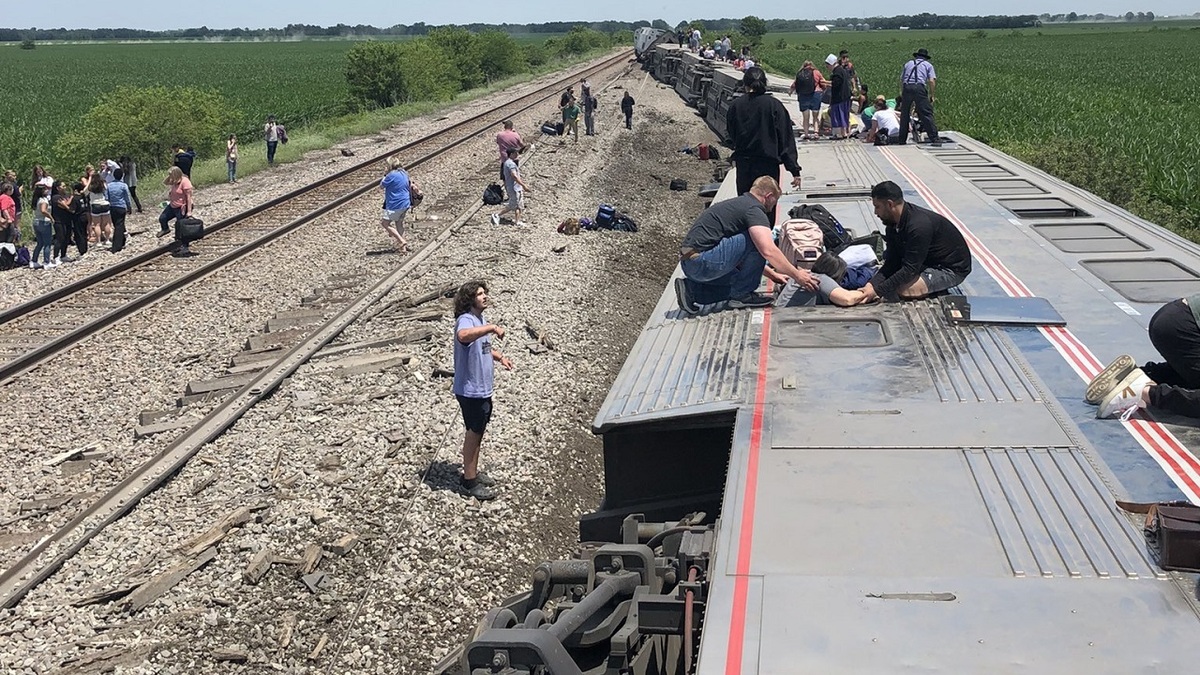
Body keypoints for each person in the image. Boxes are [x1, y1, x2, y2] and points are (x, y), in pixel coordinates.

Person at [674, 176, 819, 315]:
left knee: (738, 282)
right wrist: (797, 275)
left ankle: (691, 291)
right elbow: (768, 250)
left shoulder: (740, 204)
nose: (775, 205)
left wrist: (773, 274)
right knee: (757, 240)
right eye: (776, 200)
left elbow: (743, 253)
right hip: (703, 262)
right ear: (768, 196)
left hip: (692, 263)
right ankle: (742, 295)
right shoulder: (754, 210)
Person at [859, 181, 970, 303]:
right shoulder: (892, 224)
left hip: (950, 269)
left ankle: (932, 288)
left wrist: (878, 292)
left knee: (903, 289)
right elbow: (892, 262)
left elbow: (909, 269)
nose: (875, 213)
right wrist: (871, 285)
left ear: (890, 204)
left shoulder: (918, 226)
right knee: (889, 281)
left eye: (877, 207)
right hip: (925, 261)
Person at [452, 279, 513, 501]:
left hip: (483, 388)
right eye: (479, 294)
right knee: (473, 432)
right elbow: (464, 336)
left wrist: (500, 357)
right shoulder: (466, 320)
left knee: (478, 431)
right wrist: (491, 327)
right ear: (470, 299)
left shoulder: (479, 318)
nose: (485, 296)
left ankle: (473, 473)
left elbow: (482, 346)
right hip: (470, 389)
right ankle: (469, 482)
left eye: (484, 292)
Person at [1090, 299, 1200, 420]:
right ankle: (1143, 392)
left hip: (1175, 313)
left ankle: (1141, 375)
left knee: (1193, 378)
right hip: (1185, 328)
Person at [726, 67, 803, 203]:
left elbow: (731, 134)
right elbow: (785, 140)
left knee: (746, 207)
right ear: (765, 83)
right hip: (768, 166)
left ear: (745, 84)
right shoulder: (775, 106)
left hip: (744, 165)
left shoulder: (736, 105)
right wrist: (794, 170)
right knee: (767, 207)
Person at [898, 48, 941, 146]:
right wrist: (932, 95)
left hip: (907, 87)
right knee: (926, 113)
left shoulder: (908, 64)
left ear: (916, 56)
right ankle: (934, 138)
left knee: (905, 114)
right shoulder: (928, 65)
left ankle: (902, 139)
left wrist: (902, 93)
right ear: (925, 57)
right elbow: (931, 80)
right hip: (919, 88)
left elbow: (901, 79)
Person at [379, 156, 415, 252]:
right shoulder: (404, 173)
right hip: (405, 203)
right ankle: (403, 248)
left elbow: (381, 186)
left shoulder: (391, 176)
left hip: (396, 204)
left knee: (385, 223)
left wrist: (385, 174)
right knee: (399, 223)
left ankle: (401, 241)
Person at [490, 148, 529, 226]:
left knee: (519, 204)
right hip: (514, 187)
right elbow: (514, 176)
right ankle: (497, 215)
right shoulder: (511, 164)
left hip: (516, 187)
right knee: (513, 204)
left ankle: (517, 221)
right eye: (515, 153)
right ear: (511, 154)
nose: (517, 155)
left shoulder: (507, 162)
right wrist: (524, 185)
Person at [789, 60, 826, 140]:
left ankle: (806, 134)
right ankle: (816, 133)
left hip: (803, 96)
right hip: (816, 95)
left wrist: (790, 91)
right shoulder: (816, 72)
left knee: (805, 117)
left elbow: (795, 84)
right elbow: (823, 82)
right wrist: (823, 90)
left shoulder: (800, 73)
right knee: (815, 116)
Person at [158, 166, 193, 239]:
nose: (170, 176)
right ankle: (165, 229)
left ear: (176, 174)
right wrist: (170, 176)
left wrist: (189, 211)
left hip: (182, 207)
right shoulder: (174, 181)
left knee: (179, 225)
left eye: (171, 174)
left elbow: (189, 198)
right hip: (172, 205)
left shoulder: (185, 181)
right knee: (162, 218)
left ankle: (181, 241)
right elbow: (165, 182)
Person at [106, 168, 133, 253]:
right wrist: (129, 207)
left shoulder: (109, 186)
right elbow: (127, 198)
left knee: (117, 225)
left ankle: (121, 242)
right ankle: (117, 246)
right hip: (121, 207)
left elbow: (107, 198)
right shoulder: (123, 185)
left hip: (112, 207)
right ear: (122, 176)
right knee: (119, 225)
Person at [828, 54, 853, 140]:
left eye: (827, 65)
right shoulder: (842, 70)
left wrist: (826, 83)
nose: (827, 68)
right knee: (844, 115)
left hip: (839, 97)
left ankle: (838, 134)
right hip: (846, 96)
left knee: (838, 115)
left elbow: (836, 84)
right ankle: (844, 132)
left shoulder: (837, 71)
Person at [50, 181, 76, 262]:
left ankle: (63, 255)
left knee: (67, 237)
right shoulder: (55, 197)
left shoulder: (65, 195)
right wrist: (72, 197)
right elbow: (65, 205)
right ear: (58, 188)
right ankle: (55, 256)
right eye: (63, 186)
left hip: (67, 220)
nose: (65, 188)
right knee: (60, 238)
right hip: (58, 221)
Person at [30, 184, 55, 269]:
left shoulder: (36, 200)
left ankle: (34, 260)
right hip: (44, 222)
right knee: (47, 243)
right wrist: (51, 217)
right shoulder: (43, 200)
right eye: (45, 190)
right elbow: (43, 210)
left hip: (36, 221)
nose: (47, 191)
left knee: (40, 243)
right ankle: (47, 262)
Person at [86, 174, 112, 246]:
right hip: (104, 204)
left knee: (97, 224)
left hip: (95, 205)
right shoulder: (103, 185)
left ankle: (98, 241)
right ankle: (107, 240)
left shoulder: (90, 187)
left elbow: (85, 192)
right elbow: (107, 192)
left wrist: (89, 180)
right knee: (106, 223)